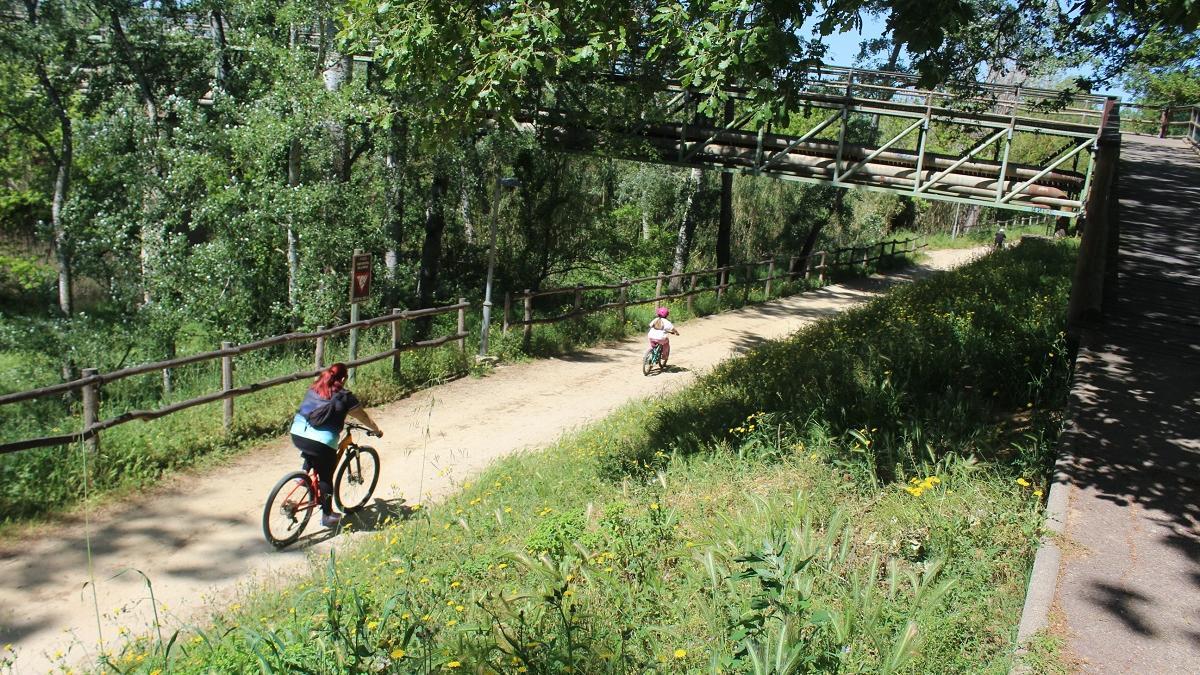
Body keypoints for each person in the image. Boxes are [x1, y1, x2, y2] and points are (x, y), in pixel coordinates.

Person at [290, 363, 383, 527]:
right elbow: (362, 416)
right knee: (326, 475)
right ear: (344, 378)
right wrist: (376, 430)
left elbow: (311, 411)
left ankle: (303, 475)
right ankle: (327, 516)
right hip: (320, 442)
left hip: (297, 432)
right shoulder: (345, 396)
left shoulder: (315, 388)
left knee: (313, 447)